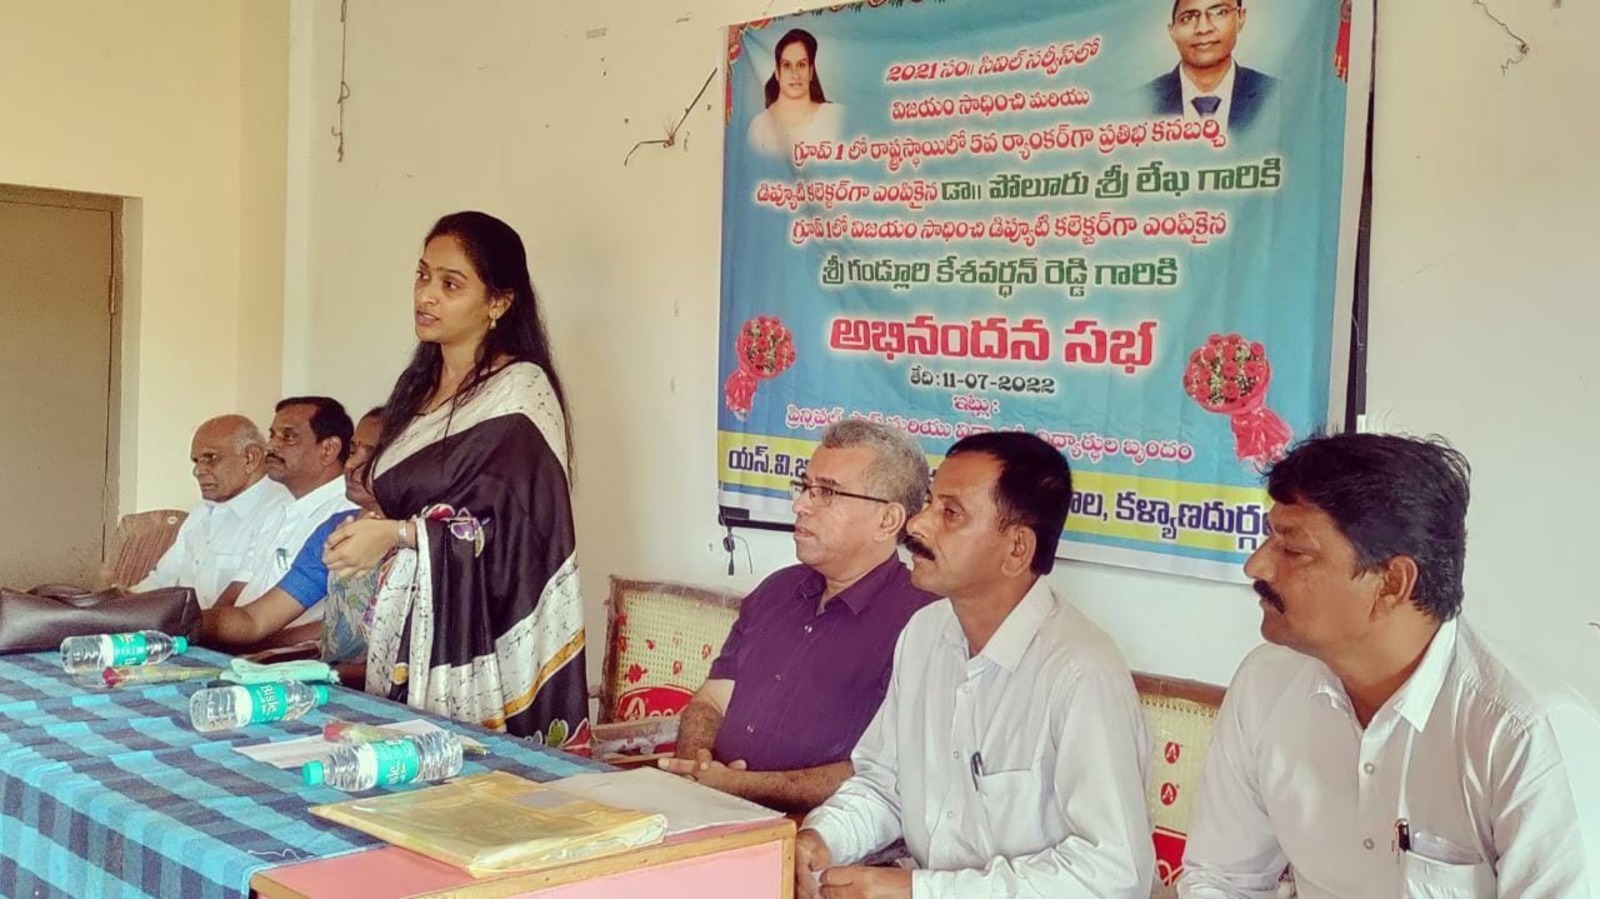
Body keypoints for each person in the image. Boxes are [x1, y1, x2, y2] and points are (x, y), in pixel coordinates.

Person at [1179, 434, 1600, 897]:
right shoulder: (1265, 683)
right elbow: (1222, 879)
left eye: (1293, 550)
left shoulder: (1526, 733)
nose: (1257, 566)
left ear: (1392, 583)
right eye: (1268, 537)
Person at [797, 433, 1153, 899]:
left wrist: (919, 892)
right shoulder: (924, 634)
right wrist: (821, 839)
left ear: (1016, 550)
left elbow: (1113, 872)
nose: (918, 524)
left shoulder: (1081, 672)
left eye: (951, 513)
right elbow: (886, 786)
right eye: (929, 502)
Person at [322, 211, 588, 749]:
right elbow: (414, 499)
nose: (426, 295)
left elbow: (519, 531)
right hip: (407, 622)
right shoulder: (416, 389)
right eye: (423, 275)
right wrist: (373, 530)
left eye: (451, 284)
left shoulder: (519, 393)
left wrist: (399, 535)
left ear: (498, 302)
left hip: (483, 630)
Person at [659, 420, 934, 812]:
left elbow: (886, 775)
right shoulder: (777, 590)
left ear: (887, 520)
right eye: (804, 486)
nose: (800, 505)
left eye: (826, 492)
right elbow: (711, 700)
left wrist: (742, 787)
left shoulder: (923, 622)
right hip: (711, 807)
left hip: (818, 835)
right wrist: (698, 766)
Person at [199, 407, 392, 668]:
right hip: (329, 678)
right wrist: (180, 621)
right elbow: (255, 620)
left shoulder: (428, 536)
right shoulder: (335, 528)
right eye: (353, 451)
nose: (350, 465)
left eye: (371, 454)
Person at [226, 397, 356, 647]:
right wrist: (202, 634)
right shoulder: (276, 508)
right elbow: (238, 589)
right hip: (239, 642)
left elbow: (342, 622)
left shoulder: (348, 516)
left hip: (284, 657)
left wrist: (253, 646)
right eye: (272, 435)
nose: (271, 445)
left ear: (328, 449)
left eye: (288, 437)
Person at [135, 415, 289, 606]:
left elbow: (249, 608)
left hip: (221, 624)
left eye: (211, 458)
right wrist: (123, 602)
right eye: (196, 461)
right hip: (186, 622)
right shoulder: (202, 512)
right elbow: (161, 580)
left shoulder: (282, 511)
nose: (197, 471)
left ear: (251, 458)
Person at [1147, 0, 1276, 134]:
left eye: (1220, 13)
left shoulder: (1276, 95)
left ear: (1240, 18)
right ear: (1172, 31)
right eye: (1188, 18)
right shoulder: (1142, 101)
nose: (1203, 29)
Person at [747, 28, 844, 157]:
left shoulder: (835, 116)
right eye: (787, 66)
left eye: (801, 65)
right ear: (777, 72)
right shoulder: (760, 127)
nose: (795, 75)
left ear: (811, 72)